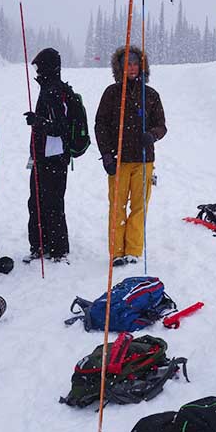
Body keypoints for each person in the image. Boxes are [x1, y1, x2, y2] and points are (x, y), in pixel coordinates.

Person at [94, 45, 166, 267]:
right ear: (119, 68)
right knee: (117, 206)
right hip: (119, 160)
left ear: (142, 67)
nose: (132, 68)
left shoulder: (150, 95)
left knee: (139, 206)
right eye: (127, 64)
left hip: (144, 160)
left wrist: (152, 135)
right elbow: (100, 125)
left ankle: (133, 250)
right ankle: (116, 251)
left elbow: (162, 126)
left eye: (135, 64)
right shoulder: (112, 93)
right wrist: (107, 155)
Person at [22, 48, 73, 263]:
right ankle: (39, 245)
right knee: (36, 202)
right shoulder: (47, 89)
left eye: (40, 67)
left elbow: (61, 127)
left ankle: (57, 249)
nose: (37, 71)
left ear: (49, 67)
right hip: (41, 157)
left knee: (52, 203)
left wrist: (38, 122)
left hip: (55, 158)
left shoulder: (55, 91)